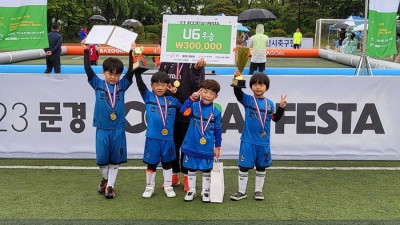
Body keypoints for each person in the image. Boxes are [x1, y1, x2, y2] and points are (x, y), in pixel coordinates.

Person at [81, 39, 135, 199]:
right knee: (102, 161)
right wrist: (85, 51)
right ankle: (105, 178)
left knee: (115, 160)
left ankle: (110, 187)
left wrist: (132, 52)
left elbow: (131, 71)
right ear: (104, 72)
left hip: (118, 128)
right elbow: (87, 69)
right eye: (110, 73)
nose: (113, 77)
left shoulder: (123, 85)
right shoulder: (97, 83)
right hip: (102, 128)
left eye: (117, 74)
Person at [230, 71, 287, 201]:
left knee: (261, 167)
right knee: (243, 167)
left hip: (263, 142)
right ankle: (241, 191)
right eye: (254, 84)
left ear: (266, 87)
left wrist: (282, 107)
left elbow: (275, 118)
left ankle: (258, 191)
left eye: (261, 85)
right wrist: (236, 78)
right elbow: (238, 94)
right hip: (248, 141)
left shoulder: (270, 104)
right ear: (251, 86)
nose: (258, 87)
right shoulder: (249, 100)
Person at [158, 58, 206, 192]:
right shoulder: (167, 61)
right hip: (170, 112)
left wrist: (196, 69)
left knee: (186, 147)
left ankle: (186, 177)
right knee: (172, 145)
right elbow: (159, 82)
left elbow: (198, 86)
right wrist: (167, 88)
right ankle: (174, 175)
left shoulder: (197, 62)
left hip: (188, 111)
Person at [135, 69, 183, 199]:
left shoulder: (172, 100)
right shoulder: (148, 96)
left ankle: (168, 186)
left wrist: (192, 98)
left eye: (163, 85)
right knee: (152, 164)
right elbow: (140, 85)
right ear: (152, 85)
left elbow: (185, 110)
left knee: (168, 163)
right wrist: (137, 73)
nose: (160, 87)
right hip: (152, 138)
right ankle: (149, 187)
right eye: (157, 85)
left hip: (168, 139)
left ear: (168, 86)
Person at [179, 79, 222, 202]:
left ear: (216, 96)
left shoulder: (216, 111)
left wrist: (217, 147)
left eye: (212, 93)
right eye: (205, 92)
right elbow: (183, 111)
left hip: (207, 146)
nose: (208, 95)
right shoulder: (193, 105)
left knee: (206, 169)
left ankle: (206, 191)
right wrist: (192, 98)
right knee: (191, 168)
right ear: (201, 91)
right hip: (191, 144)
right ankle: (191, 190)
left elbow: (218, 130)